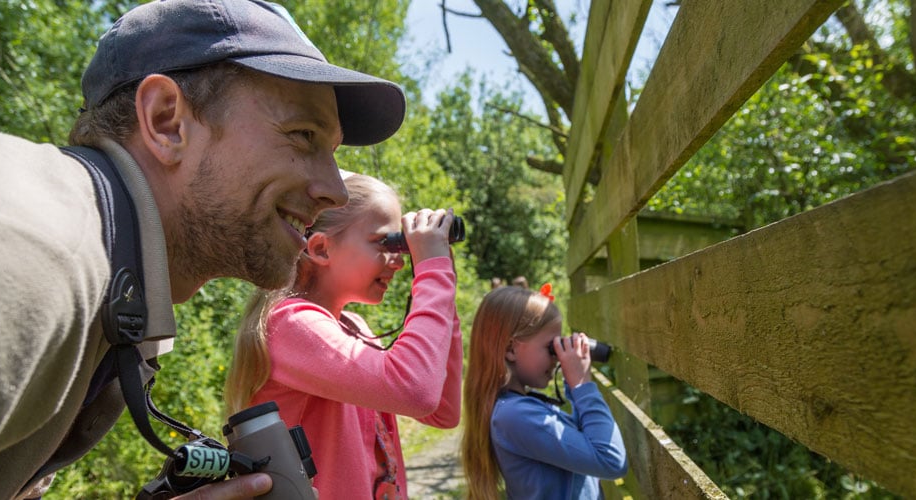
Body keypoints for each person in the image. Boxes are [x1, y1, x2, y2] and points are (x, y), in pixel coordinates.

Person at [0, 0, 406, 498]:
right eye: (303, 135)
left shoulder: (109, 267)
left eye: (332, 152)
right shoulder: (31, 253)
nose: (336, 190)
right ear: (166, 120)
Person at [225, 173, 462, 499]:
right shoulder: (292, 325)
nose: (400, 261)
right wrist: (432, 273)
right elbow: (415, 391)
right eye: (386, 242)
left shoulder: (355, 327)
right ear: (321, 248)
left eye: (403, 246)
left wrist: (441, 289)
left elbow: (441, 411)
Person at [461, 286, 628, 500]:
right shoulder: (516, 416)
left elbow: (585, 441)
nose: (557, 356)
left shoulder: (518, 408)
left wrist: (574, 384)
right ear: (511, 350)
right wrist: (582, 386)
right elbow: (611, 460)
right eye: (551, 347)